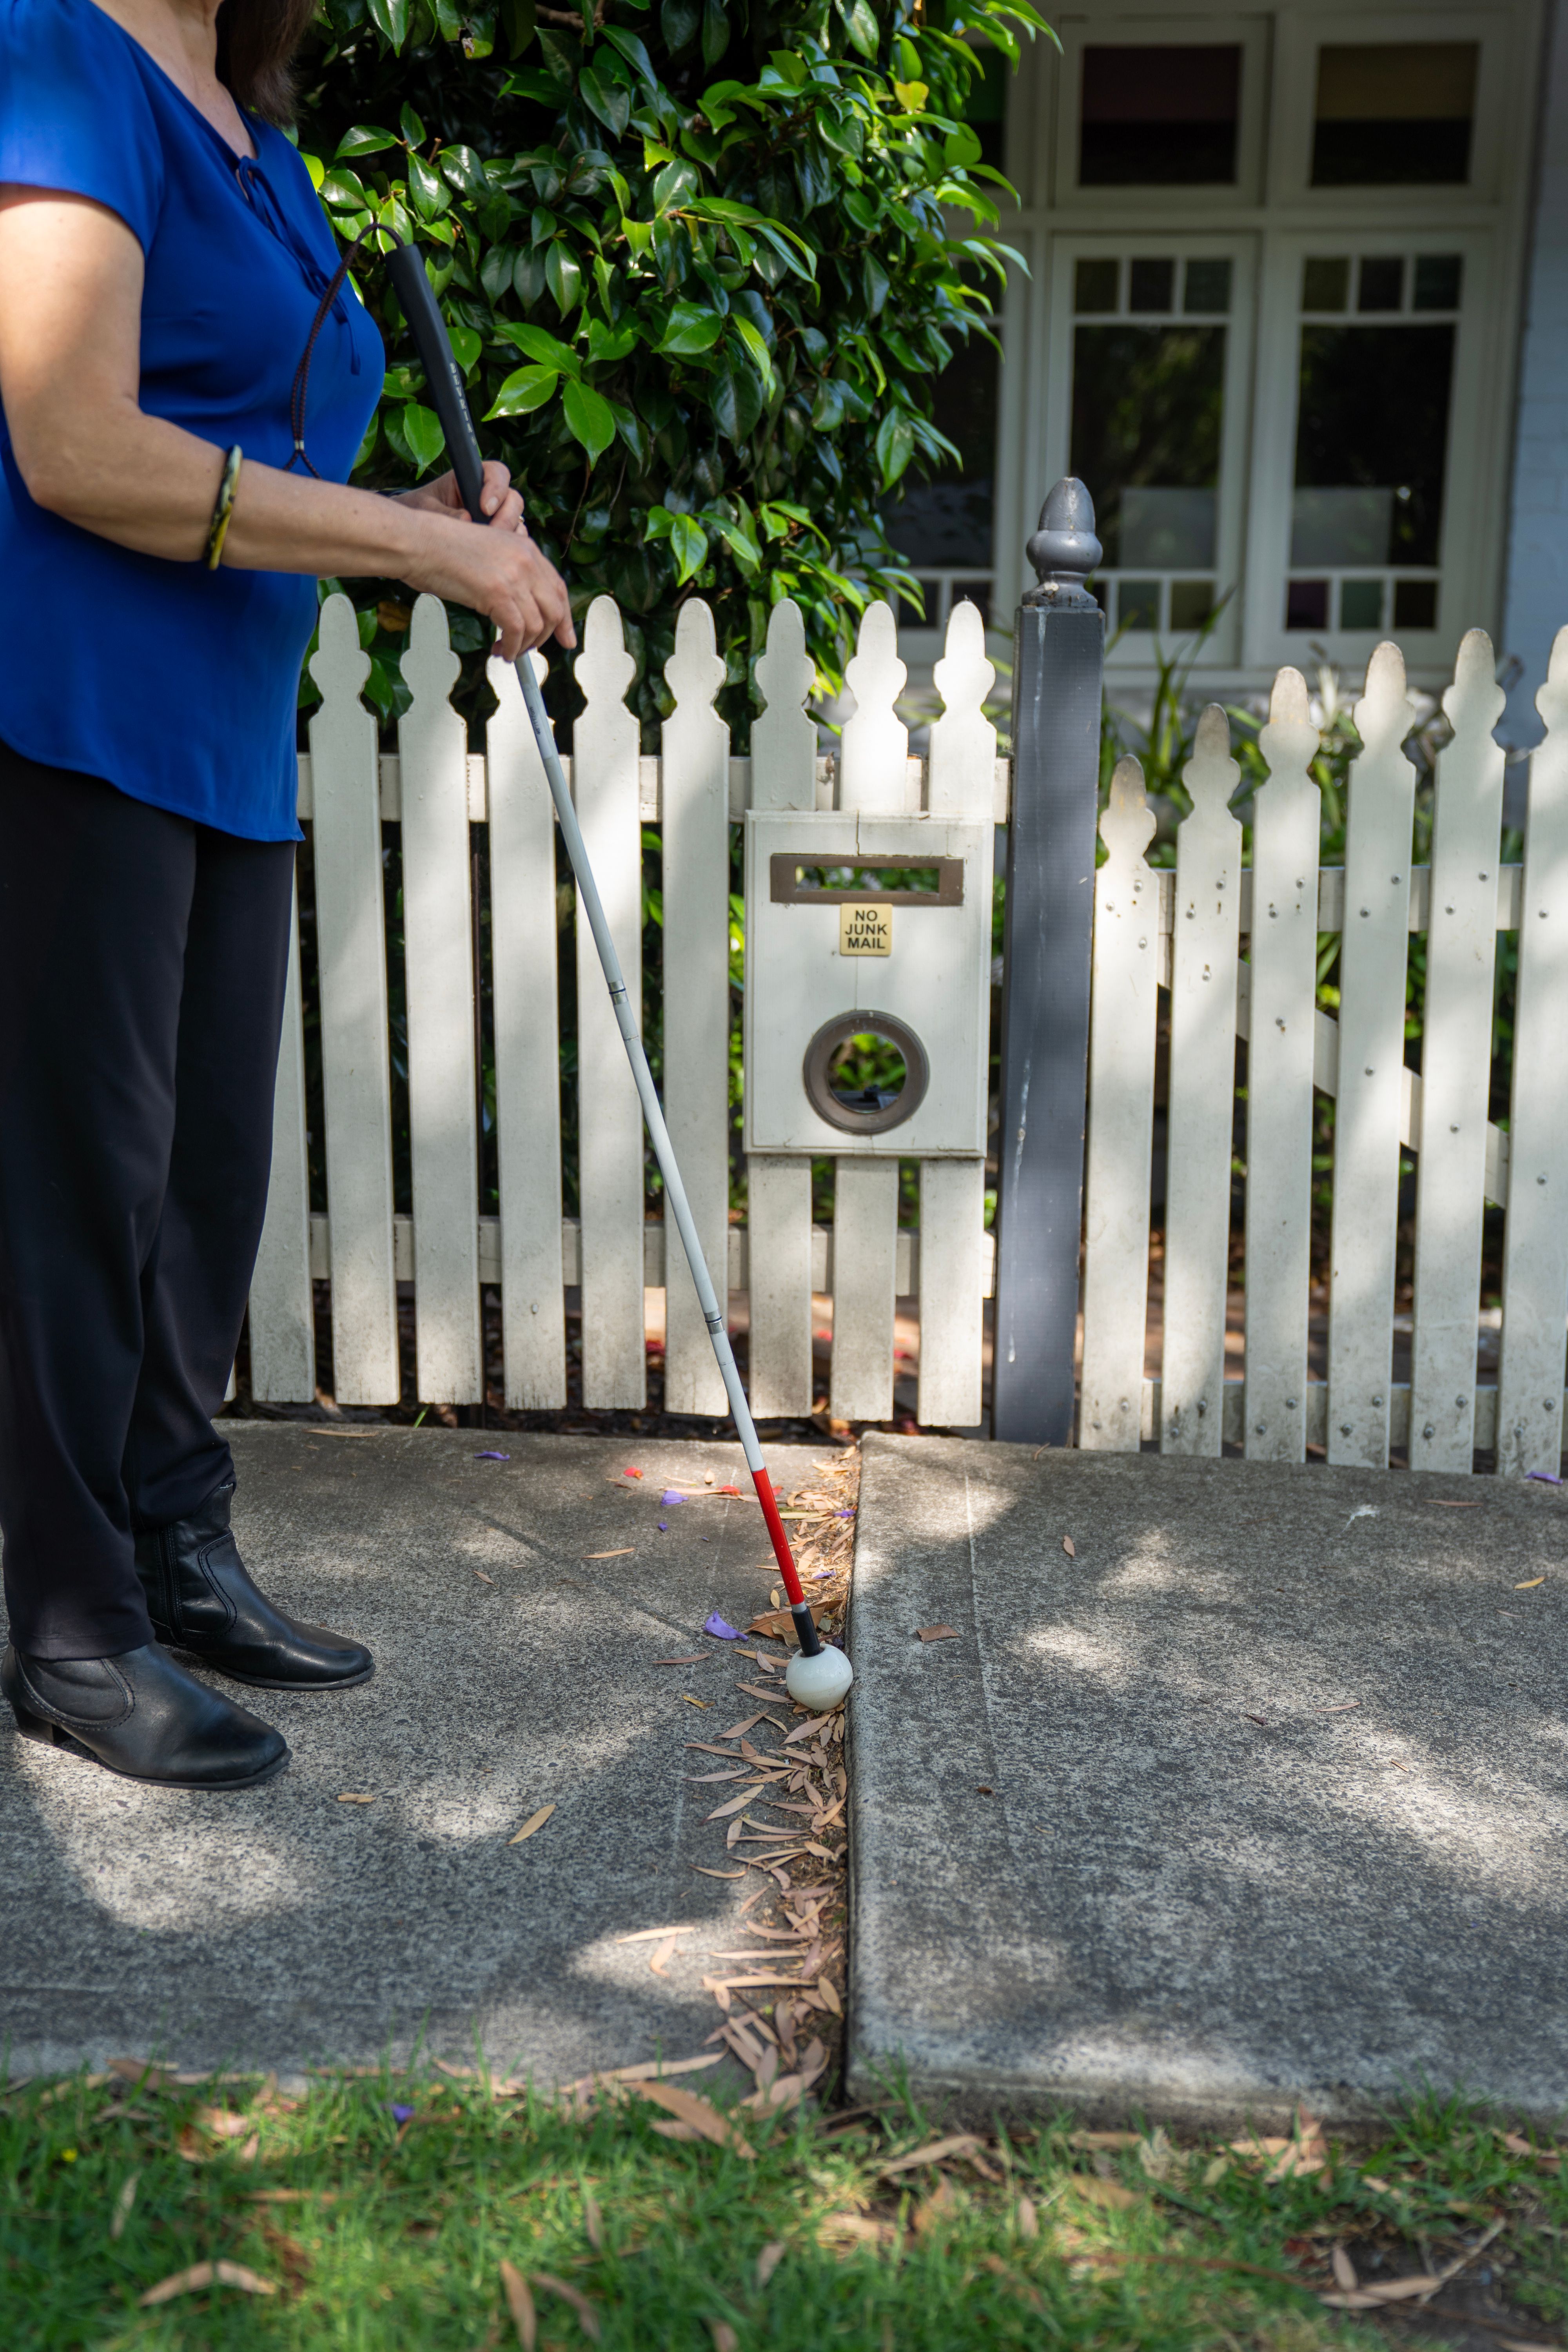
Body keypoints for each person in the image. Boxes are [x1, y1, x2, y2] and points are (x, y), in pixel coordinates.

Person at [0, 0, 575, 1791]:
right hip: (68, 709)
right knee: (80, 1192)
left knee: (199, 1186)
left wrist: (410, 506)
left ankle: (176, 1549)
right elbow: (75, 445)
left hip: (227, 735)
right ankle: (71, 1627)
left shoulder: (253, 124)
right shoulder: (57, 56)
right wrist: (426, 547)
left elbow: (256, 465)